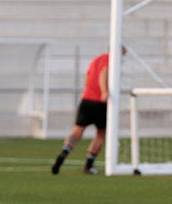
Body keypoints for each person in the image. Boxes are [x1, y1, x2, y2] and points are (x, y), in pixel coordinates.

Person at [51, 47, 124, 175]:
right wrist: (104, 91)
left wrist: (87, 92)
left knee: (77, 131)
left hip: (86, 100)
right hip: (100, 102)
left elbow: (88, 76)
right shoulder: (111, 60)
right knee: (101, 134)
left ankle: (64, 152)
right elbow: (104, 73)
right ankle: (88, 165)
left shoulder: (96, 60)